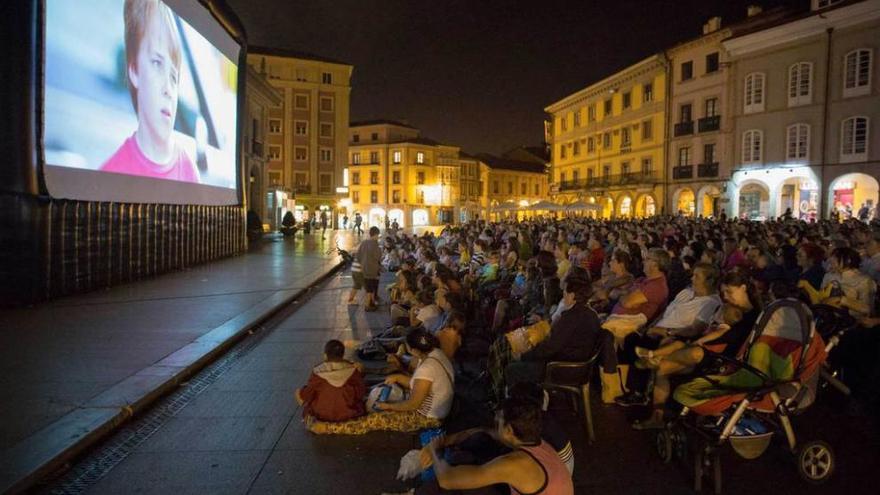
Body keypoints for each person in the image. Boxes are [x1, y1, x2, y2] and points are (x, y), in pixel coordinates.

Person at [101, 0, 199, 183]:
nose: (169, 90)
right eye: (156, 63)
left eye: (173, 77)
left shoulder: (187, 168)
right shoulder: (112, 173)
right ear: (134, 71)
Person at [308, 328, 454, 434]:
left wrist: (388, 407)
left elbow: (413, 404)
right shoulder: (436, 353)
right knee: (385, 387)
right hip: (436, 406)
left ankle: (327, 428)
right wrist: (398, 377)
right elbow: (421, 385)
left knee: (372, 420)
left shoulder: (427, 367)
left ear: (415, 350)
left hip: (427, 418)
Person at [423, 396, 574, 495]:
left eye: (499, 421)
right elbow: (485, 431)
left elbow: (446, 479)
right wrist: (447, 440)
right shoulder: (538, 442)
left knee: (458, 484)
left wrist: (435, 450)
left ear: (508, 430)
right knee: (480, 442)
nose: (495, 423)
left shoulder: (517, 464)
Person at [296, 339, 366, 422]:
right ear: (342, 354)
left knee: (300, 392)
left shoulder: (317, 372)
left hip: (322, 415)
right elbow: (361, 393)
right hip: (349, 414)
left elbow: (308, 394)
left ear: (325, 355)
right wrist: (361, 373)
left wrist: (300, 393)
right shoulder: (353, 370)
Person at [359, 226, 383, 311]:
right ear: (376, 234)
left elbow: (359, 254)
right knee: (370, 289)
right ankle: (367, 306)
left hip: (363, 268)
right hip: (371, 269)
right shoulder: (375, 244)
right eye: (378, 235)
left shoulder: (364, 242)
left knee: (370, 287)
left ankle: (372, 303)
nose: (378, 236)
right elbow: (378, 257)